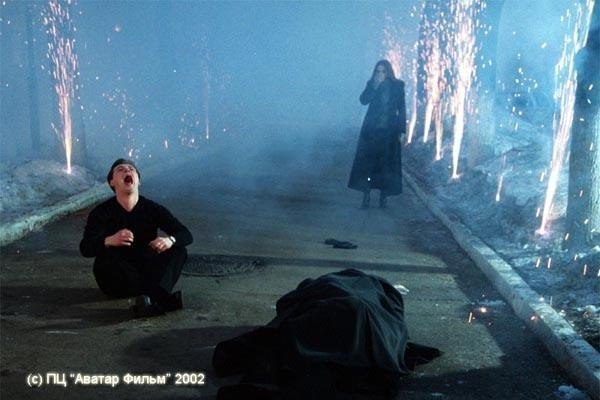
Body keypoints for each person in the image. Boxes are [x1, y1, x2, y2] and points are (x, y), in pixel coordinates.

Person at [80, 158, 193, 317]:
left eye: (131, 169)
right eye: (120, 169)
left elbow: (186, 234)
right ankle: (160, 299)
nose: (127, 170)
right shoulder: (101, 212)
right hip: (117, 280)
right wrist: (110, 240)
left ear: (138, 181)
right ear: (112, 182)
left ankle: (150, 300)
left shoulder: (152, 208)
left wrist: (169, 240)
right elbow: (85, 248)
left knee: (179, 250)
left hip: (146, 271)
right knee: (107, 256)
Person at [348, 60, 406, 209]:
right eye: (378, 71)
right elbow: (363, 100)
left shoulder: (397, 86)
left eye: (383, 71)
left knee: (386, 166)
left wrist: (402, 130)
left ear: (388, 72)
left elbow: (402, 109)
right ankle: (366, 194)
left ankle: (383, 196)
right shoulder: (372, 84)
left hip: (389, 133)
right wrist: (374, 87)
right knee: (369, 165)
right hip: (372, 132)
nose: (380, 74)